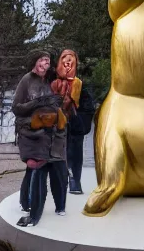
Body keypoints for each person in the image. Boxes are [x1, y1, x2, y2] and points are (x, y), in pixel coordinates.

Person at [13, 50, 68, 227]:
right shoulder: (27, 80)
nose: (45, 63)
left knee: (59, 170)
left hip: (54, 134)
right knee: (36, 171)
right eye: (42, 60)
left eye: (47, 61)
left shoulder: (53, 80)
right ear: (35, 63)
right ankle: (30, 207)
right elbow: (17, 108)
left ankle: (60, 206)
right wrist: (38, 103)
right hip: (34, 134)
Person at [51, 49, 95, 195]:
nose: (68, 62)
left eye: (71, 59)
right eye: (64, 58)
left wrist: (78, 120)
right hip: (56, 126)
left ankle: (75, 181)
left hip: (74, 127)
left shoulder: (80, 85)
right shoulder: (52, 83)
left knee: (75, 154)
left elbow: (88, 107)